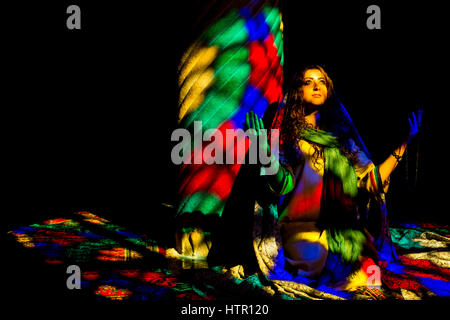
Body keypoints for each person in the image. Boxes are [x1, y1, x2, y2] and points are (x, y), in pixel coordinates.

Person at [245, 65, 423, 287]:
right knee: (318, 261)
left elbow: (372, 181)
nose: (316, 86)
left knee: (368, 270)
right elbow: (281, 184)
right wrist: (263, 154)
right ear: (296, 91)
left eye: (322, 82)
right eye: (308, 82)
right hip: (300, 228)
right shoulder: (287, 135)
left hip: (340, 229)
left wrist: (404, 144)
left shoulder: (341, 139)